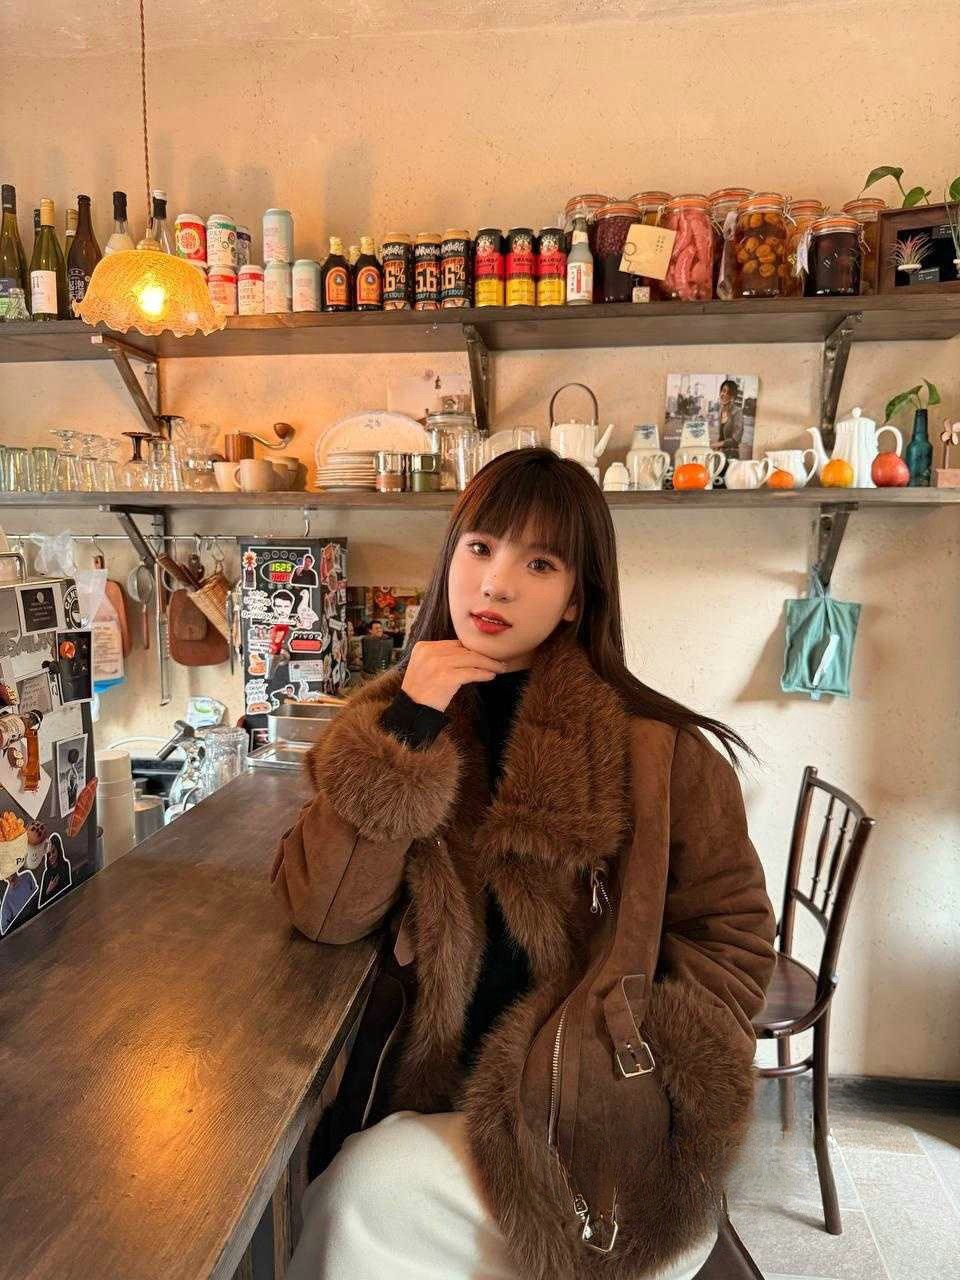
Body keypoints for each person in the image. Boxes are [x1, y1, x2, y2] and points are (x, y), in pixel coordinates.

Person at [271, 447, 776, 1280]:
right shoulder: (390, 724)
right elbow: (323, 914)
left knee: (358, 1195)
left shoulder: (659, 754)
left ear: (577, 598)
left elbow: (733, 935)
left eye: (538, 564)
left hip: (596, 1119)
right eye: (479, 548)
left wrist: (642, 1065)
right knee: (355, 1190)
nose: (496, 584)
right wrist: (408, 730)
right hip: (432, 1098)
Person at [717, 378, 745, 460]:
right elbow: (721, 437)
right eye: (723, 391)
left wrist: (716, 444)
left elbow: (736, 439)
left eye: (728, 393)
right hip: (720, 455)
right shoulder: (721, 411)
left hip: (731, 456)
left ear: (733, 397)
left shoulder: (737, 412)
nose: (724, 394)